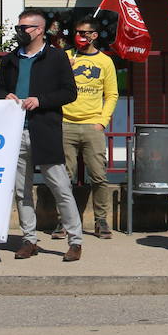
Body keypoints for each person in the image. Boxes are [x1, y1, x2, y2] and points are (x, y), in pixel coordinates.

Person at [0, 9, 81, 262]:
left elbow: (69, 93)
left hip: (45, 131)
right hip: (16, 133)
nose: (20, 32)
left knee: (61, 187)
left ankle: (75, 241)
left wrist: (40, 100)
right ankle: (29, 240)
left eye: (25, 28)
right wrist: (4, 96)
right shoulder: (10, 59)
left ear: (39, 30)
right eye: (18, 27)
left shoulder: (56, 57)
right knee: (22, 190)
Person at [55, 16, 118, 241]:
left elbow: (111, 94)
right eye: (77, 32)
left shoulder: (104, 62)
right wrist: (64, 70)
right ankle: (64, 222)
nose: (79, 36)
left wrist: (102, 120)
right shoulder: (65, 57)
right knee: (64, 176)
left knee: (99, 176)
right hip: (66, 124)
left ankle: (101, 220)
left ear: (94, 35)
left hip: (92, 125)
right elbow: (51, 85)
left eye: (84, 33)